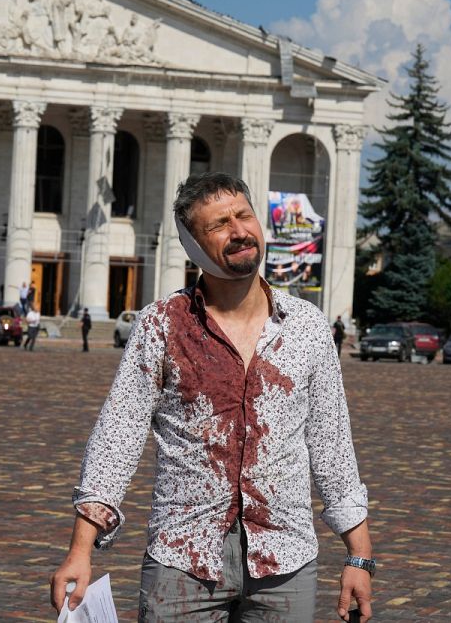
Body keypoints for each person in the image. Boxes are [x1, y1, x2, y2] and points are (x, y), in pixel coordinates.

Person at [50, 172, 374, 622]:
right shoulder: (160, 325)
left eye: (244, 216)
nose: (239, 231)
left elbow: (332, 443)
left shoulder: (307, 325)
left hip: (286, 561)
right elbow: (117, 437)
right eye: (219, 224)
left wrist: (359, 556)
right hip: (182, 561)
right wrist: (80, 551)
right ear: (194, 245)